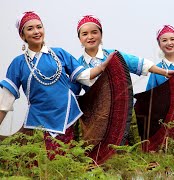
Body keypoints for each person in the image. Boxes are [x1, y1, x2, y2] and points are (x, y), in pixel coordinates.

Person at [0, 11, 115, 149]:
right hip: (38, 120)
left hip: (67, 116)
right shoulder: (18, 64)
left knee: (69, 160)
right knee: (40, 164)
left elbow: (82, 76)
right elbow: (6, 100)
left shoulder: (59, 53)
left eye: (39, 27)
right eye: (30, 29)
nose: (36, 31)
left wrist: (101, 67)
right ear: (22, 35)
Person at [73, 15, 174, 94]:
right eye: (85, 34)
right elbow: (73, 93)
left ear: (101, 34)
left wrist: (165, 72)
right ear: (79, 38)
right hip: (96, 116)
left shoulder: (114, 55)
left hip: (122, 110)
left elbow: (140, 64)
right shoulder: (77, 65)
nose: (90, 37)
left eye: (94, 32)